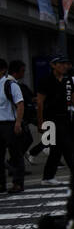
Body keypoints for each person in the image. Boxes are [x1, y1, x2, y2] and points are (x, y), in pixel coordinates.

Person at [36, 55, 74, 185]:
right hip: (50, 118)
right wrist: (40, 122)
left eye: (66, 63)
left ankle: (48, 177)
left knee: (56, 149)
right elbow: (40, 103)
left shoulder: (67, 79)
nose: (65, 66)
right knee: (67, 145)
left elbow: (73, 98)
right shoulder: (45, 80)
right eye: (61, 63)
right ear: (53, 65)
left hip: (65, 116)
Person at [0, 59, 27, 192]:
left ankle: (18, 183)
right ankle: (1, 184)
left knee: (15, 154)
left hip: (10, 124)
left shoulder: (10, 85)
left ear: (3, 70)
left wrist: (18, 123)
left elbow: (20, 104)